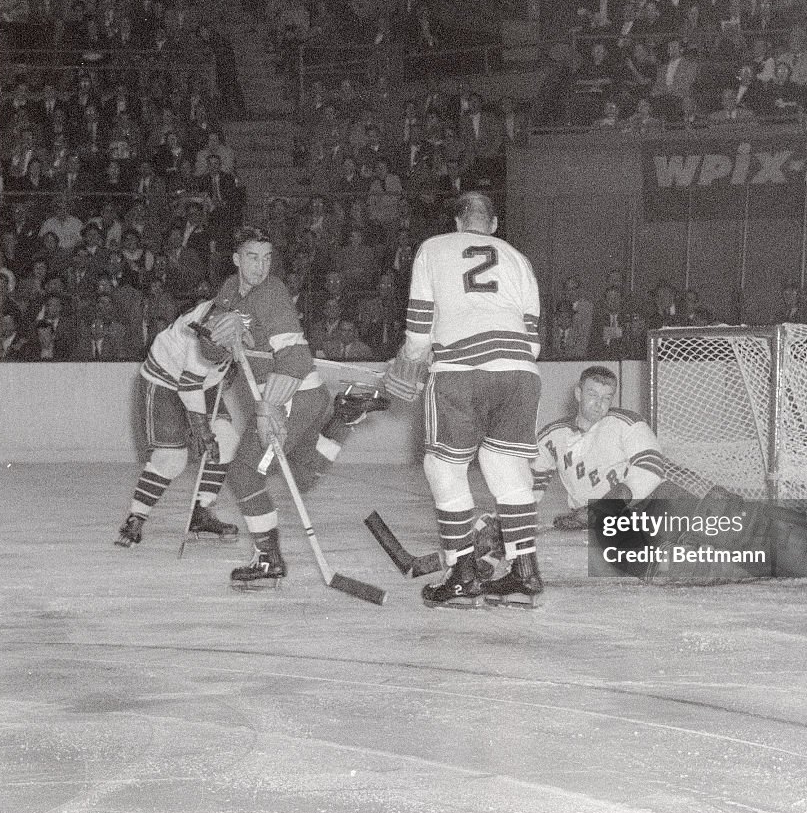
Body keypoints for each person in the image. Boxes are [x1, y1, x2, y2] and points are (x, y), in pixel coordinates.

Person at [384, 192, 543, 608]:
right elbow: (534, 341)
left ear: (457, 222)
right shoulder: (518, 258)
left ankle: (462, 573)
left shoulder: (433, 248)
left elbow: (419, 332)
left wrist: (409, 360)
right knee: (506, 468)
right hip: (521, 373)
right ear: (493, 226)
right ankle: (525, 571)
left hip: (460, 373)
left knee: (443, 466)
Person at [208, 229, 385, 585]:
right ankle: (341, 418)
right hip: (308, 398)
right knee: (302, 478)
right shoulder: (229, 290)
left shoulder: (271, 294)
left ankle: (268, 559)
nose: (261, 266)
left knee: (244, 475)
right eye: (253, 257)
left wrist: (266, 410)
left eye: (267, 257)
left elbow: (295, 358)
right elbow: (212, 351)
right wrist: (216, 336)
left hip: (291, 397)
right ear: (236, 259)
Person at [115, 299, 241, 548]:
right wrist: (203, 432)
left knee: (226, 441)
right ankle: (136, 516)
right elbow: (189, 387)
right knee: (171, 458)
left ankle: (202, 511)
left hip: (203, 382)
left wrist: (232, 364)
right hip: (165, 380)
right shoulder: (197, 343)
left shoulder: (241, 322)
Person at [532, 366, 665, 530]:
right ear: (578, 394)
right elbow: (530, 482)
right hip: (589, 523)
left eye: (606, 398)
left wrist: (600, 510)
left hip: (642, 512)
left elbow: (652, 469)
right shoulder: (552, 435)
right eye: (592, 395)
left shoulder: (628, 423)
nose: (599, 404)